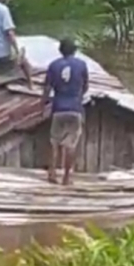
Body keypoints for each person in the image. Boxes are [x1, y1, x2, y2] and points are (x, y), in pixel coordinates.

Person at [40, 38, 89, 186]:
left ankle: (52, 173)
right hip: (75, 108)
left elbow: (47, 88)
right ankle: (66, 178)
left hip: (58, 108)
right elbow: (86, 86)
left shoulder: (53, 65)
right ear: (74, 50)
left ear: (60, 50)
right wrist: (78, 96)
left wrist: (42, 104)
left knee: (54, 142)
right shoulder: (82, 65)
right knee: (70, 145)